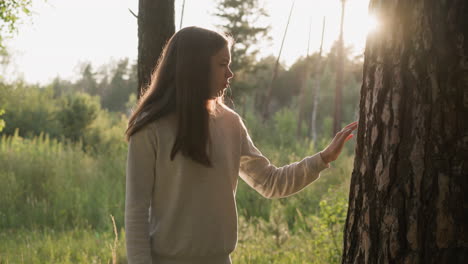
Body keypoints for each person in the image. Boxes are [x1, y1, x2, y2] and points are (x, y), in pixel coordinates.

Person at [125, 26, 357, 264]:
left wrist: (323, 158)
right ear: (195, 67)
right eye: (222, 64)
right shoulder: (150, 129)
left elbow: (270, 182)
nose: (230, 74)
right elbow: (136, 213)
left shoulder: (230, 123)